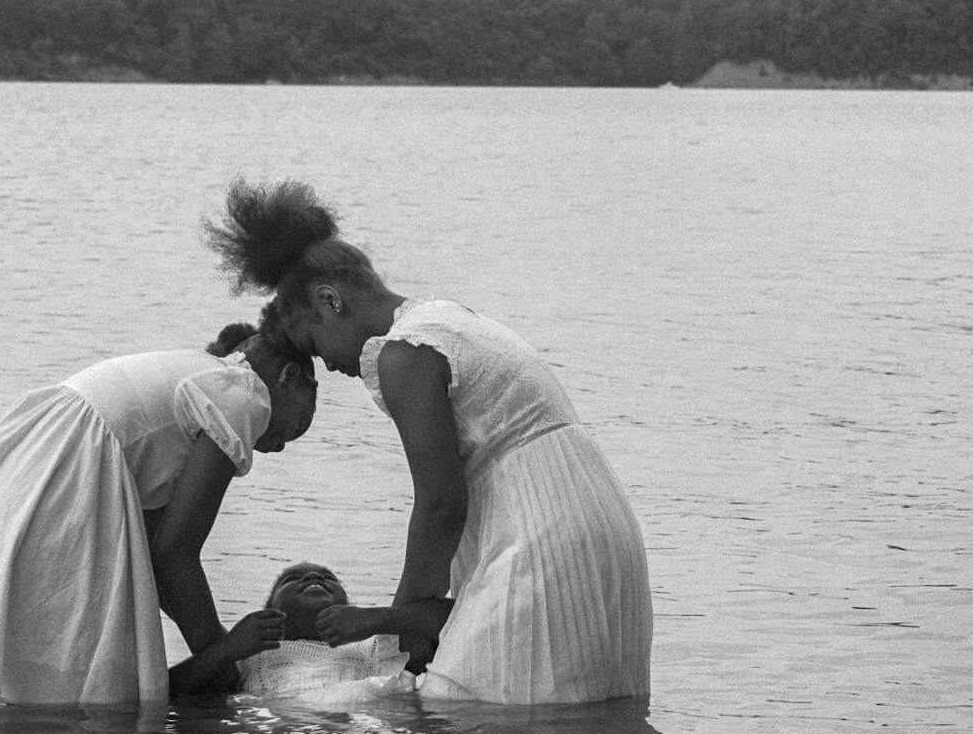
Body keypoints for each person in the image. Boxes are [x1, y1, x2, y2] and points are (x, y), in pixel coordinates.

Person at [203, 179, 653, 705]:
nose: (332, 366)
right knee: (562, 726)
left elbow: (440, 503)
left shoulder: (404, 353)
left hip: (541, 530)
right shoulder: (448, 317)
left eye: (316, 346)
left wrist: (397, 633)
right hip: (587, 510)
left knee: (470, 714)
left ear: (331, 301)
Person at [0, 322, 317, 708]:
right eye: (296, 425)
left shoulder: (193, 388)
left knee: (18, 676)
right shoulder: (242, 395)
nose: (278, 446)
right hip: (69, 479)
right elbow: (176, 553)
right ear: (289, 377)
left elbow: (159, 562)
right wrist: (223, 657)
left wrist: (219, 650)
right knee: (87, 697)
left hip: (22, 475)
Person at [234, 560, 451, 706]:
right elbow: (200, 683)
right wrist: (228, 647)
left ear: (347, 606)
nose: (312, 576)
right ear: (269, 609)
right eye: (291, 579)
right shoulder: (250, 653)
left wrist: (374, 619)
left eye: (328, 577)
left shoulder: (375, 643)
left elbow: (459, 618)